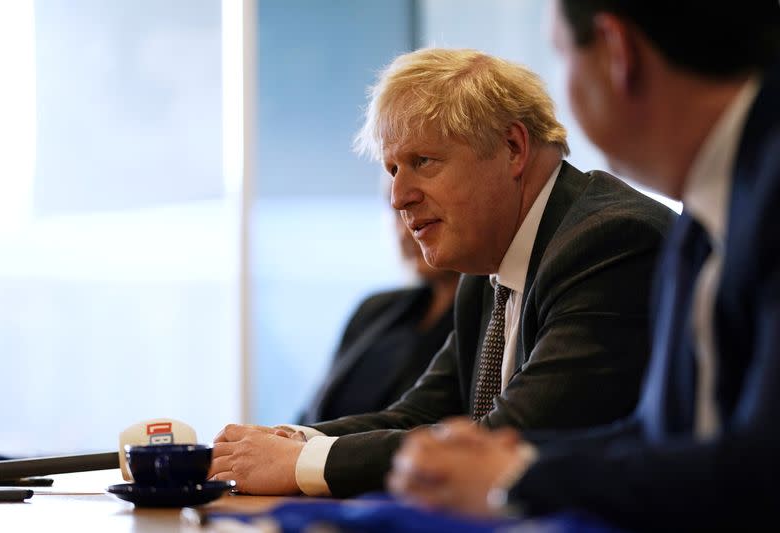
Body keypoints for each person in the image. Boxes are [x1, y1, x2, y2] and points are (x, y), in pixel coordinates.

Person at [208, 47, 674, 498]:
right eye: (392, 168)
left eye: (422, 162)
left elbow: (504, 442)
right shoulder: (486, 268)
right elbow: (421, 413)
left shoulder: (610, 242)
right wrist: (286, 444)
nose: (398, 196)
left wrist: (298, 465)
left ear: (513, 147)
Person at [387, 1, 780, 530]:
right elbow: (663, 438)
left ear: (619, 52)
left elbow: (763, 472)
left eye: (561, 55)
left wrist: (516, 480)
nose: (397, 197)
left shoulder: (647, 228)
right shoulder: (706, 216)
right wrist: (511, 466)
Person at [297, 209, 460, 425]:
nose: (405, 231)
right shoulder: (374, 309)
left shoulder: (485, 323)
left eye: (424, 214)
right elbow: (312, 411)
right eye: (396, 213)